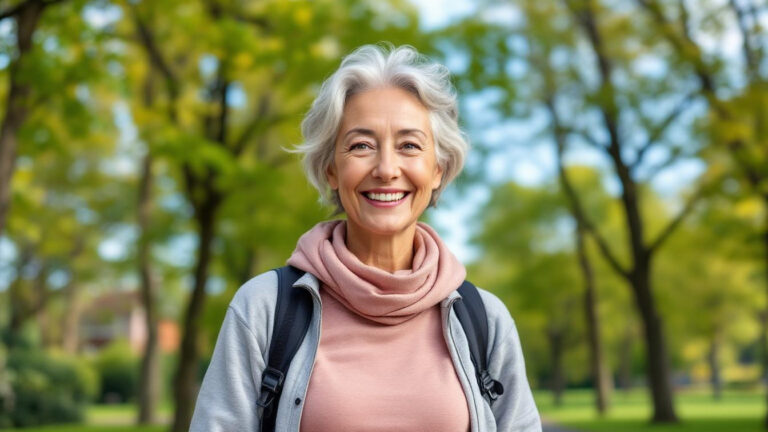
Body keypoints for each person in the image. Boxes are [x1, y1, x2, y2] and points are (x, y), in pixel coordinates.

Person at [190, 43, 541, 432]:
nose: (387, 169)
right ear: (330, 170)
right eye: (361, 146)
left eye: (409, 145)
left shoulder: (485, 320)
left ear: (438, 169)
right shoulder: (263, 311)